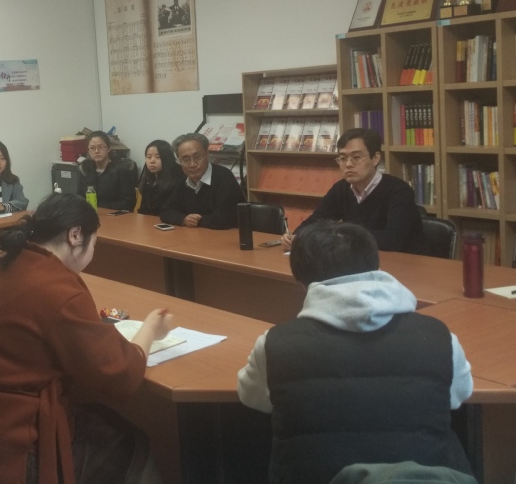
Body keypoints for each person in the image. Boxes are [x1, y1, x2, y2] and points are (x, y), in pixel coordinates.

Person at [0, 193, 172, 484]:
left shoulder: (8, 265)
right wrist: (151, 329)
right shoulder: (58, 287)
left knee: (99, 416)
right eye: (94, 243)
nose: (93, 251)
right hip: (19, 444)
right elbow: (121, 375)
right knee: (131, 441)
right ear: (75, 235)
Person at [237, 221, 473, 484]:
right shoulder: (440, 338)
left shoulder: (273, 345)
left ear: (301, 283)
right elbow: (459, 395)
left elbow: (251, 397)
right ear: (376, 267)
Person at [281, 128, 424, 253]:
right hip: (359, 259)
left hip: (406, 264)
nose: (348, 164)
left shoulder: (399, 191)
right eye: (343, 158)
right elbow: (316, 220)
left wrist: (339, 234)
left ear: (375, 158)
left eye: (356, 157)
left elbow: (391, 240)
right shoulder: (341, 189)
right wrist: (297, 236)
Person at [159, 132, 246, 229]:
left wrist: (196, 221)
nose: (192, 164)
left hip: (230, 235)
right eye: (185, 159)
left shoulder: (224, 177)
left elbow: (223, 220)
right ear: (179, 161)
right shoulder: (183, 180)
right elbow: (165, 211)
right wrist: (183, 219)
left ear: (207, 154)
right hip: (198, 234)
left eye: (197, 157)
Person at [79, 130, 137, 211]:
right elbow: (79, 197)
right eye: (92, 148)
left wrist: (100, 208)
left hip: (116, 215)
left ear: (108, 148)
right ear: (88, 151)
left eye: (100, 147)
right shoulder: (86, 170)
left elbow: (128, 202)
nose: (96, 151)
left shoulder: (121, 170)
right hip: (91, 214)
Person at [137, 139, 185, 216]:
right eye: (149, 157)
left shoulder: (177, 181)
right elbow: (143, 208)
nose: (152, 161)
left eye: (158, 157)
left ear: (167, 158)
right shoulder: (148, 179)